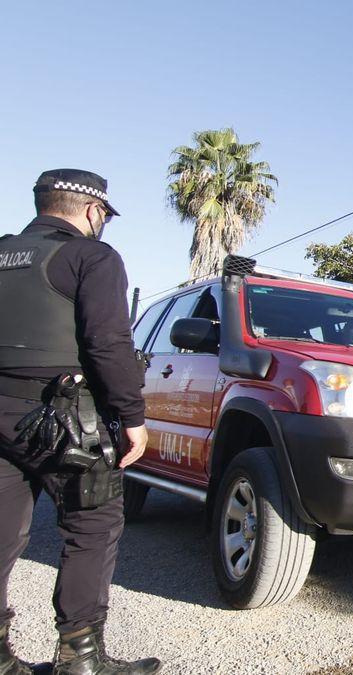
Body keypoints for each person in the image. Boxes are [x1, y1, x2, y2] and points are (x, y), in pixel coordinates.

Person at [0, 170, 160, 674]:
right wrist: (132, 416)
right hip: (63, 421)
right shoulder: (93, 257)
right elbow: (107, 343)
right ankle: (79, 661)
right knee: (92, 526)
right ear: (94, 213)